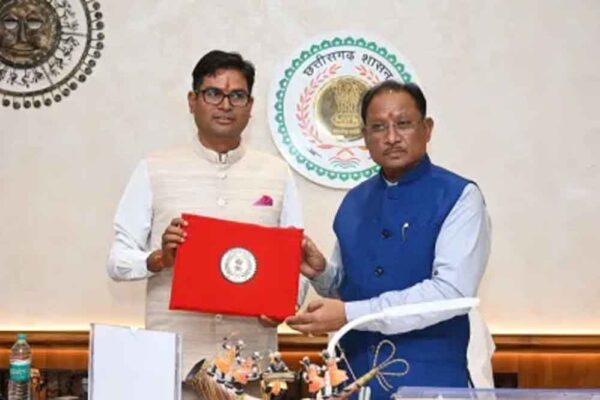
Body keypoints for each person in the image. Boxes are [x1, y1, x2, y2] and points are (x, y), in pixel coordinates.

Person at [106, 50, 306, 398]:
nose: (225, 105)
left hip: (251, 372)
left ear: (250, 105)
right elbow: (117, 261)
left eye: (237, 95)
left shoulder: (277, 173)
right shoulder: (154, 168)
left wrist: (284, 304)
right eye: (213, 93)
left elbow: (296, 263)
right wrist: (159, 259)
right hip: (174, 370)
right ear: (192, 100)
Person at [286, 81, 492, 396]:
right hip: (353, 378)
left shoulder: (459, 196)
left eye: (403, 124)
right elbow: (350, 290)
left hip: (429, 382)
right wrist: (322, 274)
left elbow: (450, 292)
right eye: (379, 127)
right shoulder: (355, 200)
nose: (392, 137)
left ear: (427, 129)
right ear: (365, 137)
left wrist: (348, 315)